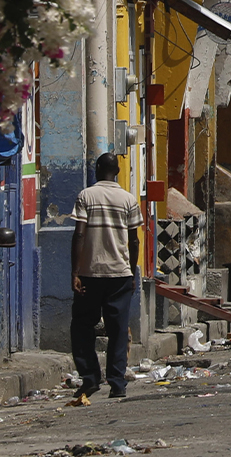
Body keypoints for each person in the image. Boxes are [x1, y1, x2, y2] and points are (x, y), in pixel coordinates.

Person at [69, 153, 140, 404]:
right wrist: (132, 270)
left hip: (90, 272)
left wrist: (75, 272)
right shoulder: (129, 200)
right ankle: (117, 383)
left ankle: (90, 378)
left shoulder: (86, 196)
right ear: (118, 171)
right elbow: (134, 239)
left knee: (82, 327)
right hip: (119, 274)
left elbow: (79, 235)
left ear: (97, 169)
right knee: (118, 330)